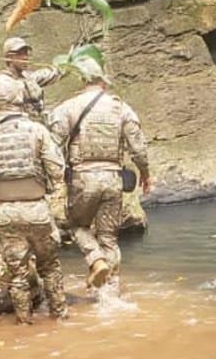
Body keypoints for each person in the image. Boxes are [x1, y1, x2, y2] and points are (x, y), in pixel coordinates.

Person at [49, 57, 150, 289]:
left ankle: (96, 260)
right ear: (102, 82)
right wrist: (146, 174)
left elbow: (53, 145)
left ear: (82, 80)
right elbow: (138, 148)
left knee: (77, 226)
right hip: (113, 179)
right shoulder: (120, 107)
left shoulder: (68, 107)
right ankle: (110, 293)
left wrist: (54, 176)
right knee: (109, 237)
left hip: (83, 179)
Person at [0, 111, 68, 323]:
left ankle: (23, 322)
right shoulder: (37, 130)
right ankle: (59, 316)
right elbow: (57, 169)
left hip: (5, 212)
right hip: (38, 210)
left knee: (17, 274)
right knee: (49, 266)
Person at [0, 37, 60, 125]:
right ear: (9, 58)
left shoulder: (27, 77)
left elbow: (45, 75)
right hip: (13, 127)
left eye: (26, 54)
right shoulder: (2, 81)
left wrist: (65, 67)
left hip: (33, 124)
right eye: (20, 54)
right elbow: (10, 113)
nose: (25, 57)